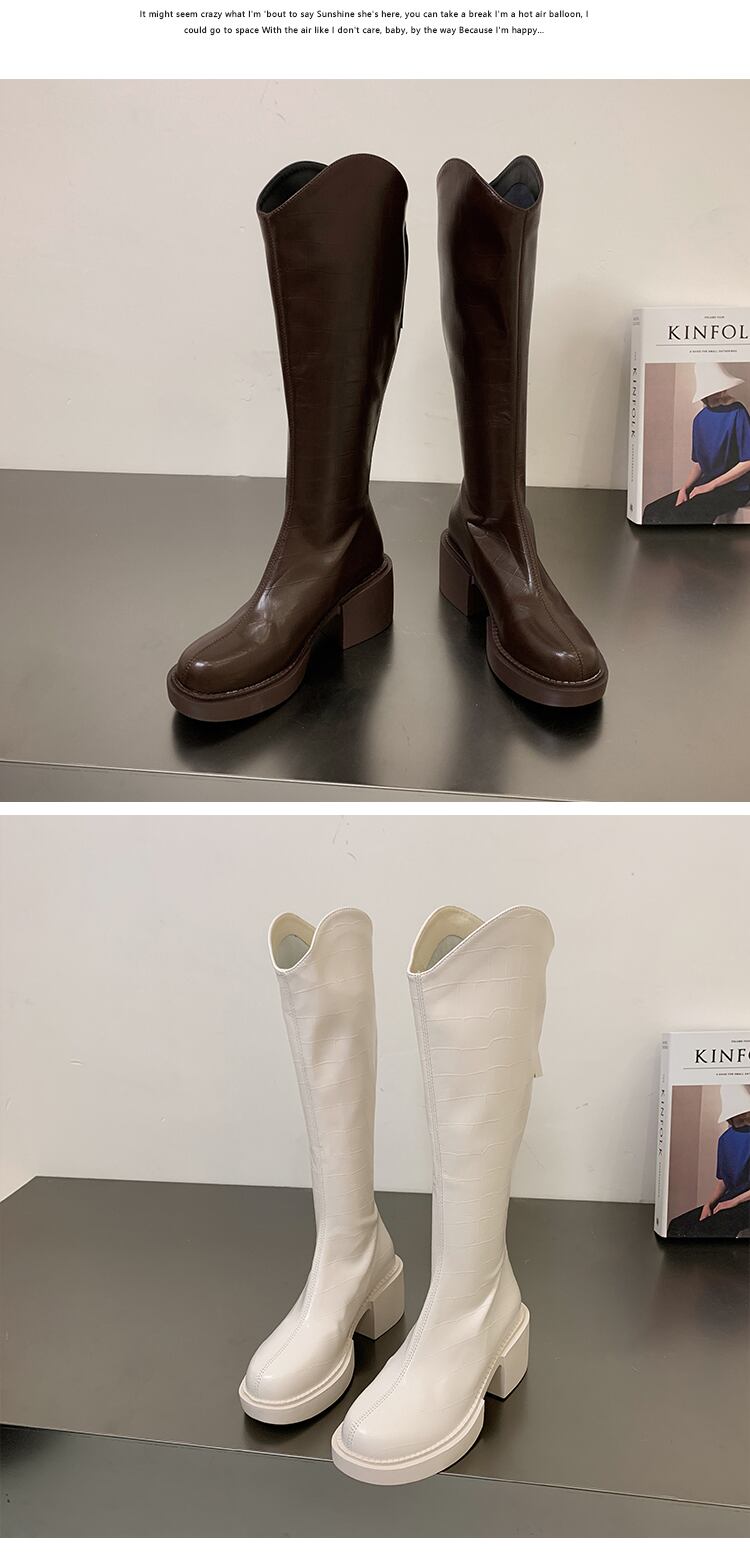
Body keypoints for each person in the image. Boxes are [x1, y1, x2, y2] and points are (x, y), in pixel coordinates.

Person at [642, 363, 750, 526]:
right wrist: (684, 488)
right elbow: (699, 463)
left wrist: (710, 486)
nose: (721, 392)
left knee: (679, 517)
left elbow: (747, 461)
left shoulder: (737, 411)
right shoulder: (699, 420)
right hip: (707, 484)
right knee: (652, 511)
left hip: (736, 488)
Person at [667, 1084, 750, 1238]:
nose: (744, 1117)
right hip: (731, 1199)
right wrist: (709, 1204)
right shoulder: (725, 1139)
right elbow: (724, 1180)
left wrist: (734, 1202)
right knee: (678, 1225)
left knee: (703, 1231)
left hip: (744, 1202)